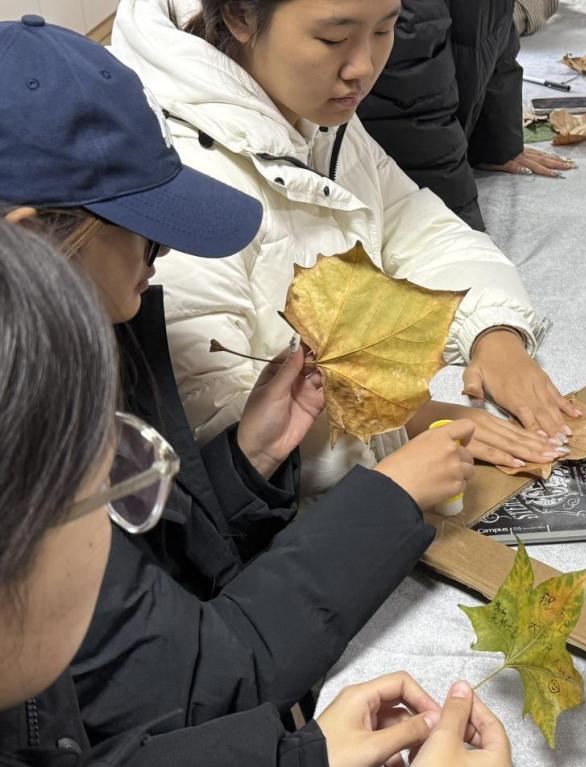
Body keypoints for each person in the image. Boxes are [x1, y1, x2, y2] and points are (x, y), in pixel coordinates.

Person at [0, 17, 488, 766]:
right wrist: (391, 497)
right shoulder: (32, 439)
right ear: (35, 240)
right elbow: (189, 676)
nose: (164, 252)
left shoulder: (64, 351)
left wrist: (242, 466)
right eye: (142, 227)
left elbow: (140, 598)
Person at [112, 0, 583, 499]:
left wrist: (493, 331)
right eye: (334, 39)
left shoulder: (314, 114)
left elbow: (416, 226)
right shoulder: (182, 173)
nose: (363, 67)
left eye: (385, 30)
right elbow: (218, 430)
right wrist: (403, 420)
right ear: (240, 17)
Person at [358, 0, 573, 232]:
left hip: (430, 140)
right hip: (383, 171)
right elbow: (410, 104)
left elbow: (494, 25)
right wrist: (455, 227)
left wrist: (494, 142)